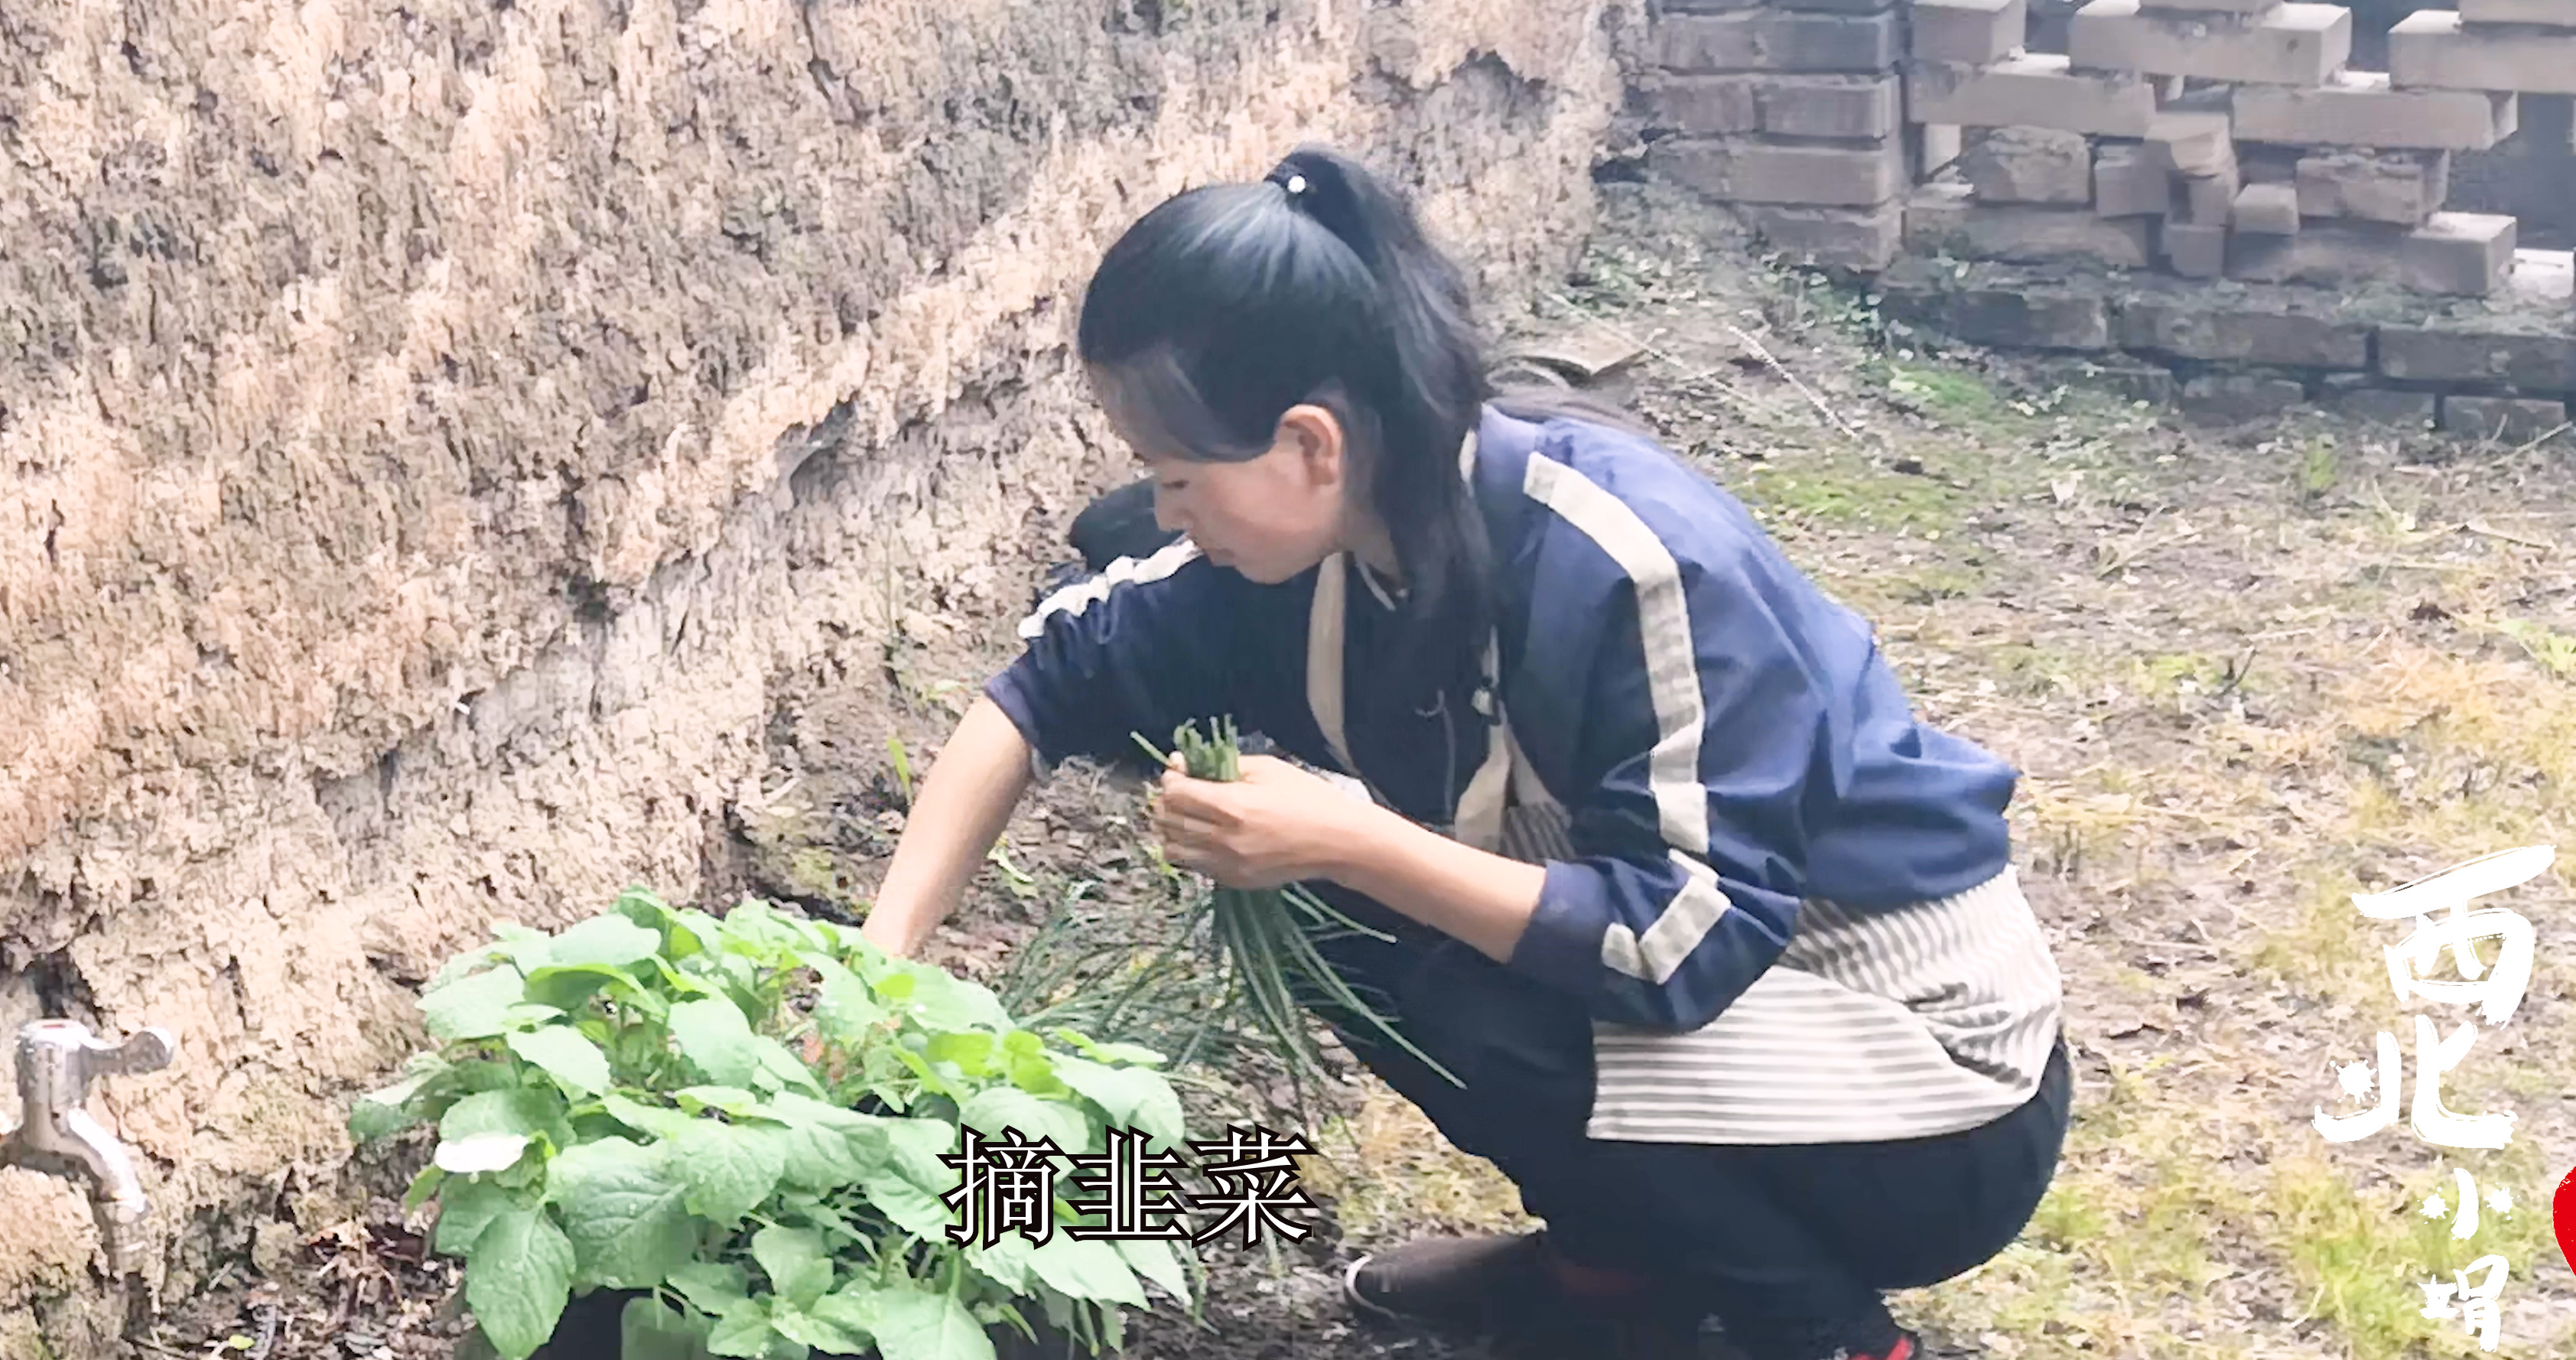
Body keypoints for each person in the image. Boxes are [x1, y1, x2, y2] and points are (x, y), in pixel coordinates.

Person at [856, 145, 2071, 1360]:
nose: (1168, 516)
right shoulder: (1312, 551)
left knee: (1415, 939)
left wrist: (1355, 836)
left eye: (1180, 479)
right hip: (1745, 1038)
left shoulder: (1631, 565)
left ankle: (1827, 1333)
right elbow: (1035, 693)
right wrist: (876, 975)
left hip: (1923, 1092)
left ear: (1311, 445)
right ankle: (1614, 1265)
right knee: (1351, 913)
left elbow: (1677, 947)